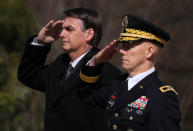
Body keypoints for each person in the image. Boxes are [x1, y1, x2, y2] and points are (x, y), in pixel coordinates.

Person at [17, 8, 120, 131]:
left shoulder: (106, 71)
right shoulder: (61, 63)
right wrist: (40, 43)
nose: (61, 34)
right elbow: (29, 75)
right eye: (62, 29)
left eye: (69, 29)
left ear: (89, 34)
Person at [78, 14, 181, 131]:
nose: (121, 51)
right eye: (122, 46)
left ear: (149, 52)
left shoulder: (161, 97)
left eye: (128, 46)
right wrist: (94, 63)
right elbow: (85, 94)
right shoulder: (117, 84)